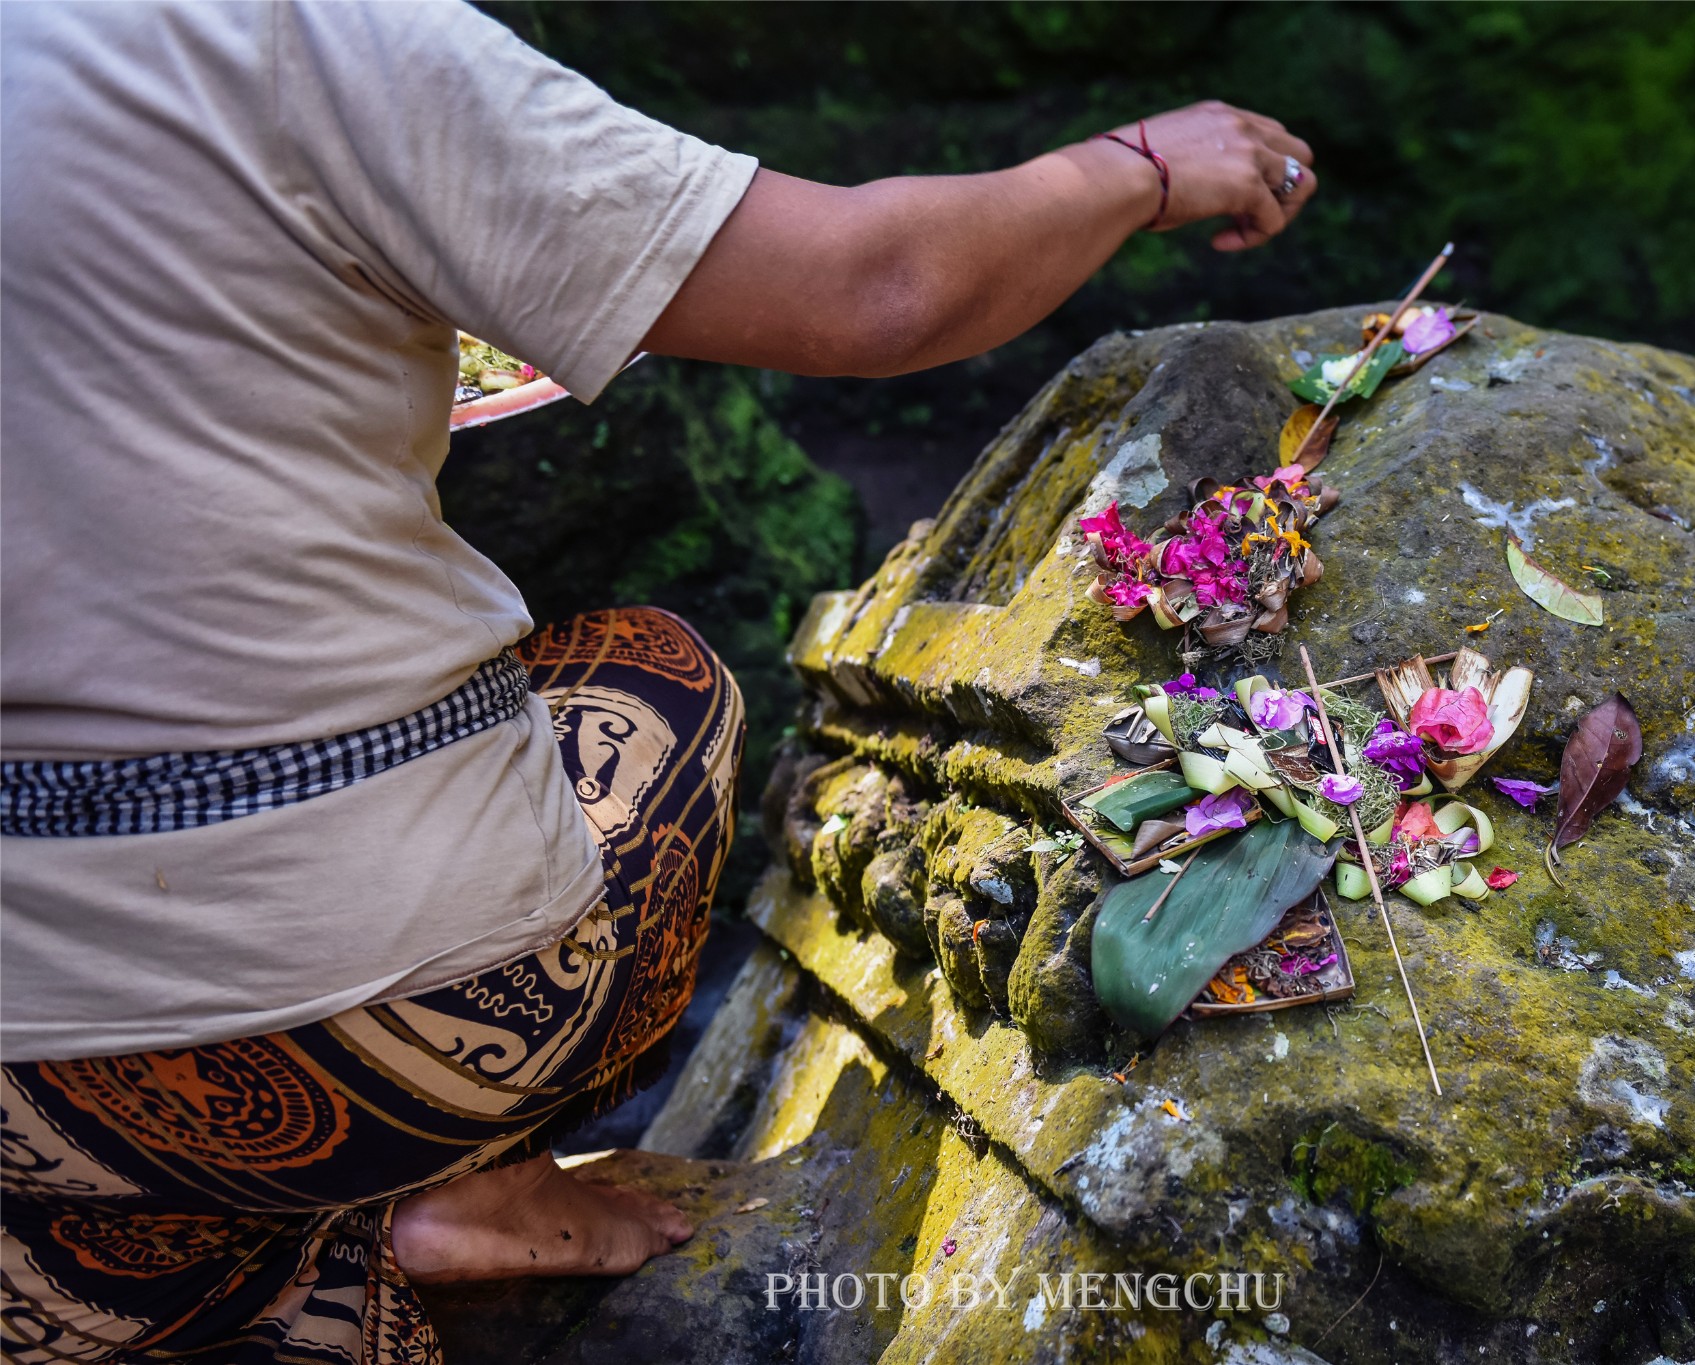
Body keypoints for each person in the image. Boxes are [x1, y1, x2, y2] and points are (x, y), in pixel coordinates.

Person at [0, 3, 1316, 1360]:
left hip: (26, 1090)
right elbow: (875, 283)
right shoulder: (279, 35)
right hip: (370, 1042)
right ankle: (465, 1172)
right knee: (659, 684)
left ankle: (163, 1242)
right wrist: (1139, 164)